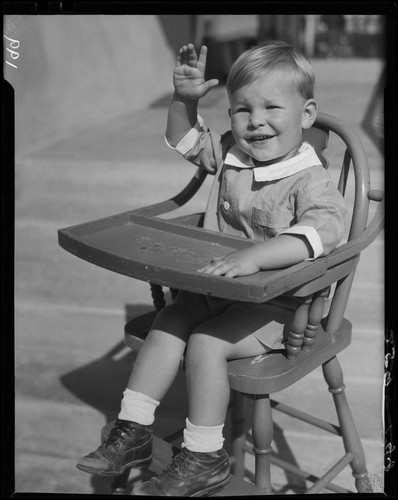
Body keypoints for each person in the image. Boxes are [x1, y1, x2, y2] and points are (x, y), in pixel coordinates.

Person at [76, 41, 346, 496]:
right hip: (215, 290)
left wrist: (255, 256)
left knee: (203, 343)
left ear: (306, 114)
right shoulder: (230, 154)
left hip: (279, 308)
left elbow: (324, 232)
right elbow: (183, 138)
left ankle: (204, 455)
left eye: (271, 107)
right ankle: (134, 430)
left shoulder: (309, 177)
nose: (255, 120)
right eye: (242, 109)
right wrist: (184, 98)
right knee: (169, 321)